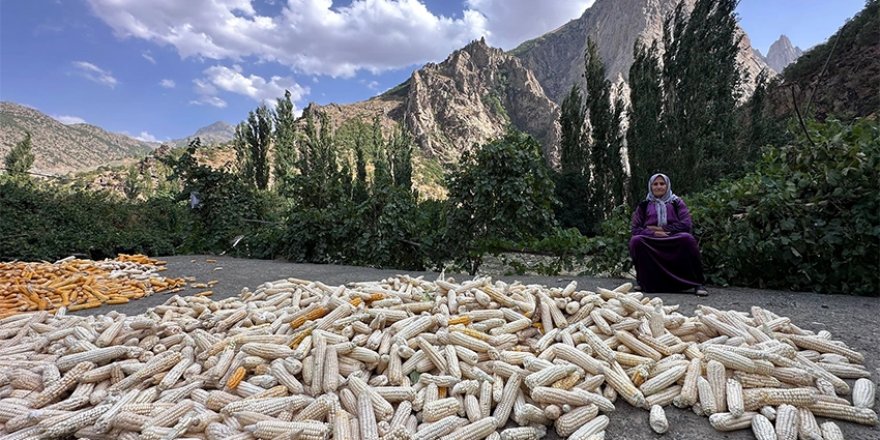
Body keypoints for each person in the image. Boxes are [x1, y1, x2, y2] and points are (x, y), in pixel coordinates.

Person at [629, 173, 708, 296]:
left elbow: (686, 225)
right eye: (655, 184)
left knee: (687, 239)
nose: (659, 187)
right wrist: (654, 232)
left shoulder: (677, 203)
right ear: (650, 186)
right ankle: (644, 282)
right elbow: (635, 229)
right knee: (636, 241)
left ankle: (697, 283)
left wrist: (662, 229)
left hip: (673, 237)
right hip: (651, 238)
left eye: (662, 184)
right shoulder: (644, 205)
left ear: (667, 186)